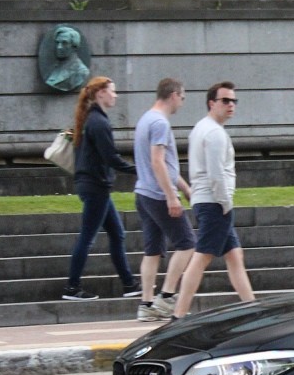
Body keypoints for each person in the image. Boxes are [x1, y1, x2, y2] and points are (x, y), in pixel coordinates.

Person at [173, 82, 256, 318]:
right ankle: (178, 314)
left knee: (234, 255)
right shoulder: (214, 133)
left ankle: (251, 307)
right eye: (225, 101)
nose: (231, 105)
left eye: (233, 101)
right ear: (212, 103)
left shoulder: (202, 128)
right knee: (201, 258)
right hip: (215, 203)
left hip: (207, 201)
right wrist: (225, 203)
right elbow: (216, 174)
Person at [62, 76, 140, 301]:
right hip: (96, 186)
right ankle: (72, 288)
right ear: (100, 94)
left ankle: (129, 284)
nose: (115, 95)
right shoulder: (99, 122)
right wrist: (139, 170)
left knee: (117, 233)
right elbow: (110, 157)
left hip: (93, 185)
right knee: (87, 238)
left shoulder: (91, 119)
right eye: (112, 91)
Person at [132, 77, 196, 321]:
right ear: (173, 95)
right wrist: (172, 195)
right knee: (187, 243)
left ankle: (146, 304)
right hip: (159, 194)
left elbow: (165, 165)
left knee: (153, 251)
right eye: (182, 97)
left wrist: (186, 189)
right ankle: (167, 297)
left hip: (143, 192)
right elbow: (158, 161)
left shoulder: (145, 119)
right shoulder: (160, 123)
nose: (182, 102)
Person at [44, 25, 91, 93]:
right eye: (57, 43)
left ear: (74, 46)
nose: (59, 47)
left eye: (64, 43)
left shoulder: (81, 72)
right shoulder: (56, 67)